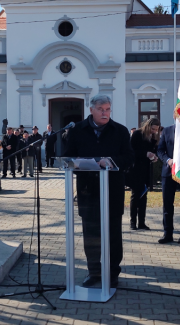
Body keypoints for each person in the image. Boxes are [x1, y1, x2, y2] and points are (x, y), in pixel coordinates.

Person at [62, 94, 134, 288]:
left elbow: (129, 158)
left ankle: (112, 274)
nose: (105, 112)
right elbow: (68, 157)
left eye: (108, 109)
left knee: (112, 234)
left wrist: (111, 162)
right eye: (101, 109)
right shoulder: (77, 130)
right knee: (91, 235)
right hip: (88, 191)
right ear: (91, 110)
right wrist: (79, 164)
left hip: (112, 190)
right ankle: (94, 273)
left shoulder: (120, 131)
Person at [156, 123, 180, 245]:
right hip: (169, 173)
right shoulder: (167, 130)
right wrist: (168, 160)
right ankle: (168, 233)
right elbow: (160, 150)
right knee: (167, 204)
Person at [128, 117, 161, 231]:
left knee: (144, 196)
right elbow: (131, 151)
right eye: (153, 129)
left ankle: (142, 222)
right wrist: (145, 154)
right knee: (135, 196)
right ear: (148, 126)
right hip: (136, 170)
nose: (154, 131)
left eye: (156, 130)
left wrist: (154, 157)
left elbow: (154, 150)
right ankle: (133, 222)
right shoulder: (137, 134)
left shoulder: (153, 137)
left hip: (147, 170)